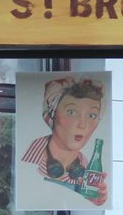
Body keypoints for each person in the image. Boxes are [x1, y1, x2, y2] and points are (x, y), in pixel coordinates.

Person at [22, 76, 108, 206]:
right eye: (71, 112)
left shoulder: (88, 172)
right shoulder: (27, 155)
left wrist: (95, 201)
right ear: (52, 113)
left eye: (91, 115)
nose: (82, 124)